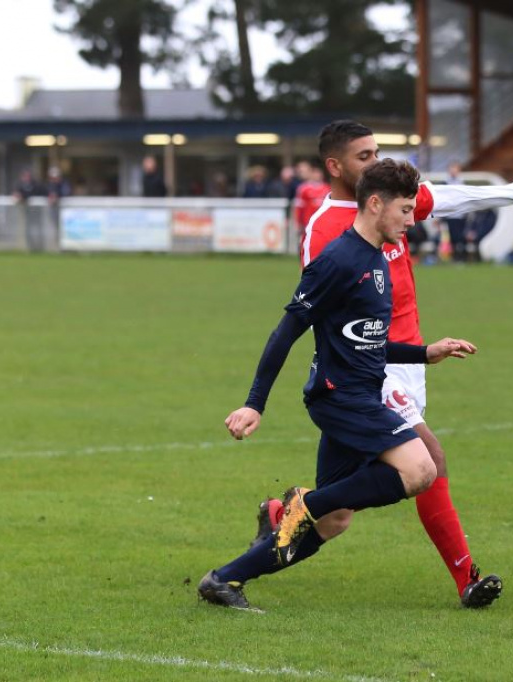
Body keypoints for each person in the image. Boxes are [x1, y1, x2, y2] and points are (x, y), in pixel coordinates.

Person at [295, 120, 513, 607]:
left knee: (336, 515)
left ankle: (280, 514)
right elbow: (314, 313)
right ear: (334, 166)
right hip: (369, 369)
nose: (375, 162)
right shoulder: (326, 229)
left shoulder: (392, 202)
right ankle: (467, 578)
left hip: (412, 360)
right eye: (363, 156)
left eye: (376, 152)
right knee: (429, 460)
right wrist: (353, 372)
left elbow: (452, 198)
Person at [198, 160, 479, 610]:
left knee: (334, 520)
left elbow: (367, 340)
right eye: (405, 210)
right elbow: (285, 333)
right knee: (421, 469)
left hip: (359, 394)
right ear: (375, 204)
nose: (412, 221)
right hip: (341, 397)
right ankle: (303, 503)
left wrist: (425, 352)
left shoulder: (377, 259)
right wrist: (254, 403)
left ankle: (224, 579)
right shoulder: (338, 260)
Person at [293, 161, 331, 251]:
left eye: (319, 173)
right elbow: (299, 207)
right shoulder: (304, 189)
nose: (317, 175)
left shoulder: (327, 188)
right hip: (308, 222)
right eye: (315, 173)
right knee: (306, 244)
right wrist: (298, 223)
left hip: (323, 222)